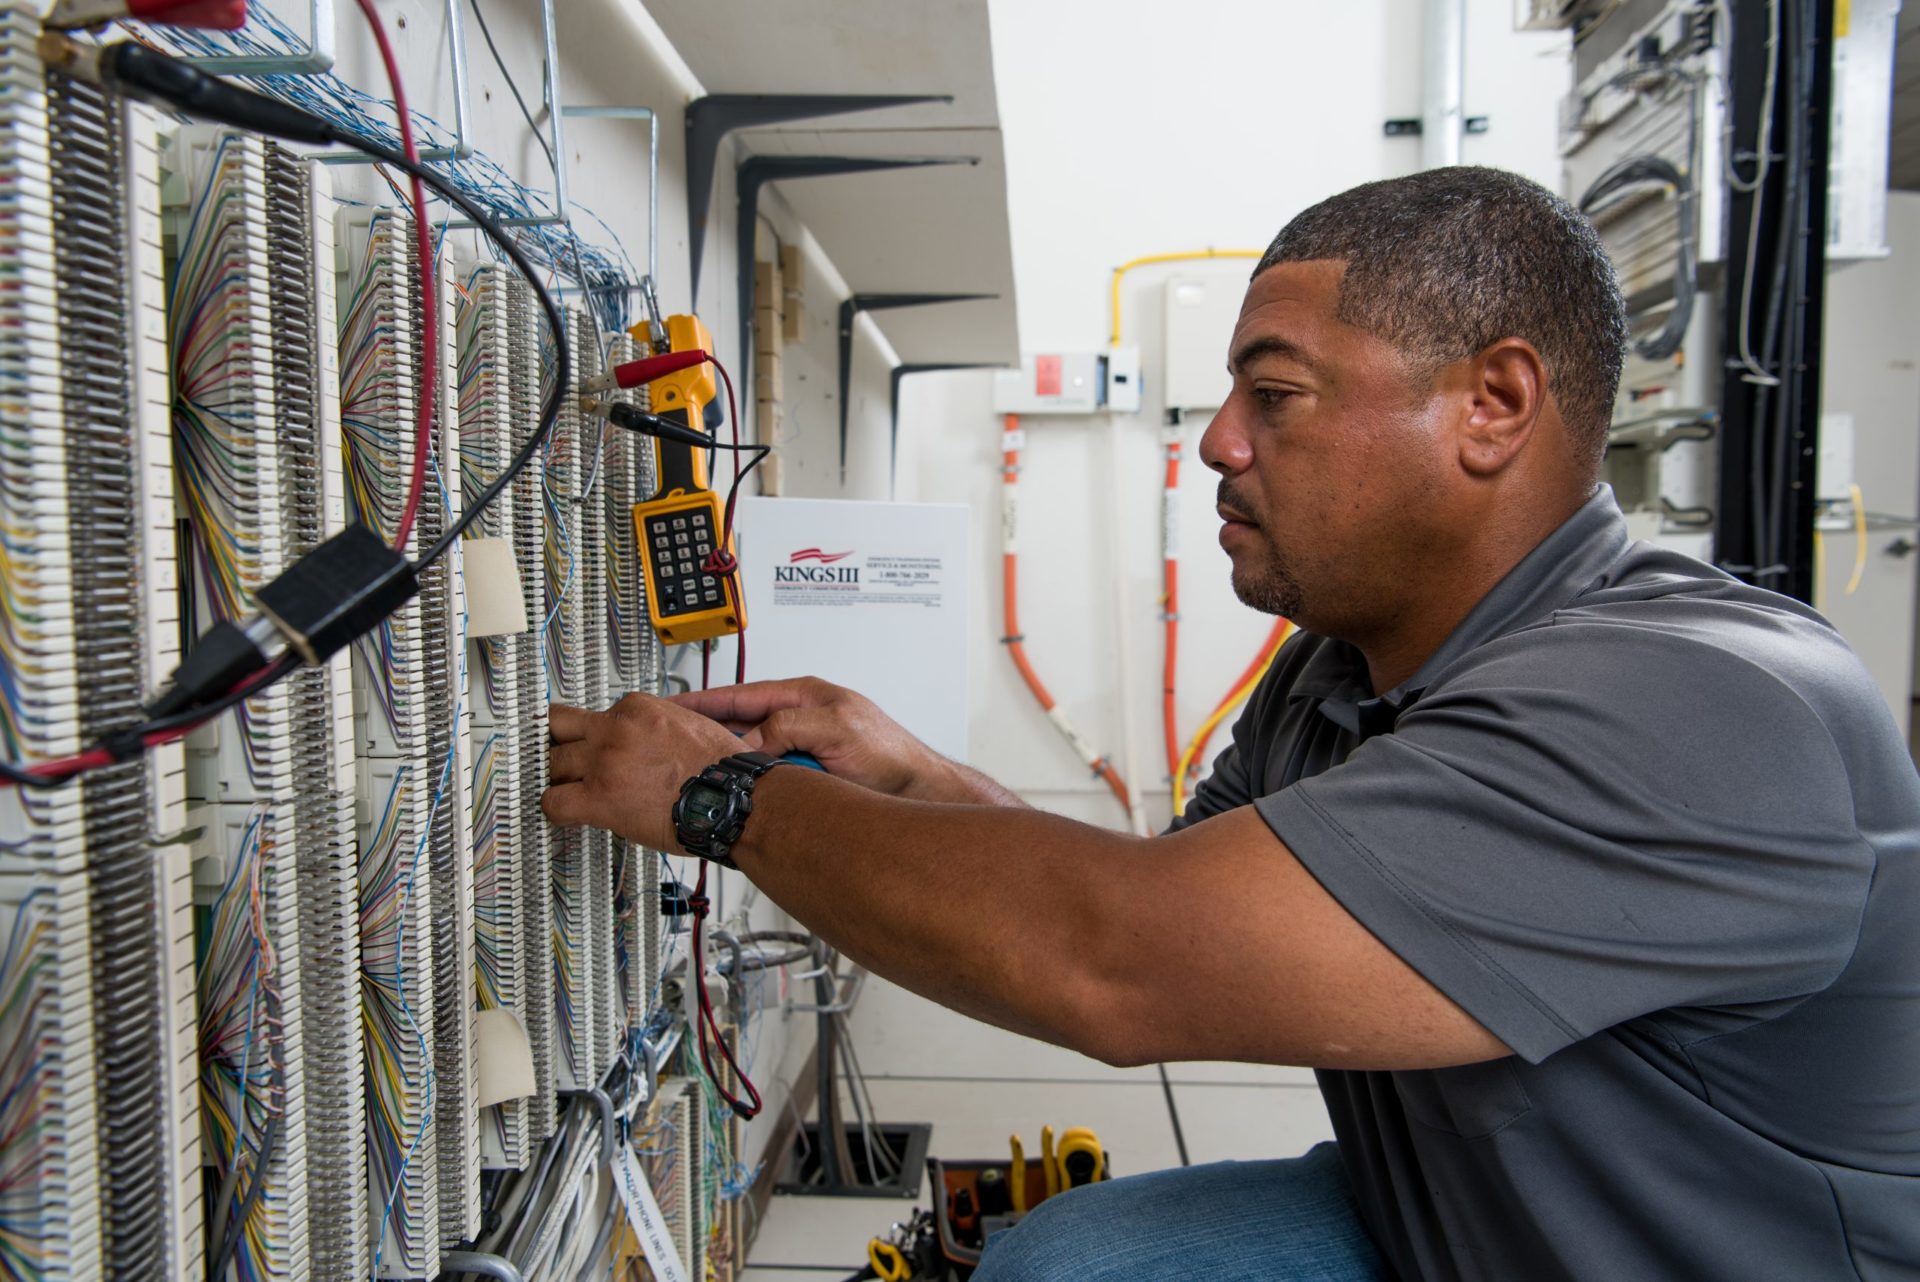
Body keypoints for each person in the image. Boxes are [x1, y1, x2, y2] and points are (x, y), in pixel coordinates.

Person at [543, 166, 1920, 1282]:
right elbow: (1184, 915)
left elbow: (1119, 968)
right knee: (1061, 1267)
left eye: (1277, 394)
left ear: (1493, 406)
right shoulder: (1345, 667)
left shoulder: (1695, 708)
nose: (1217, 443)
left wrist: (720, 798)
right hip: (1450, 1218)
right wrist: (908, 772)